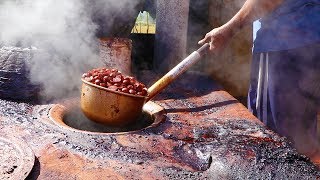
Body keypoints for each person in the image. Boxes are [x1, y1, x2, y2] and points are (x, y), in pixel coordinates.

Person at [199, 0, 320, 164]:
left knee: (272, 139)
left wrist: (228, 30)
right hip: (311, 39)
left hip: (284, 45)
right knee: (302, 133)